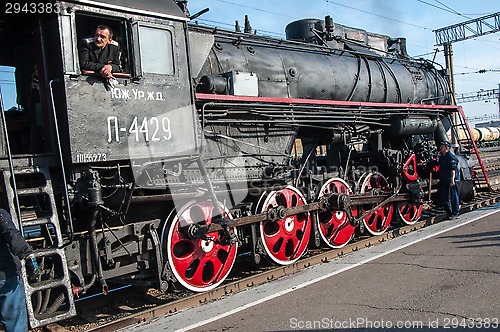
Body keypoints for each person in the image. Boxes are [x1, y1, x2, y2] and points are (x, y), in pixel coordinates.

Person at [0, 208, 40, 332]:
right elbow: (11, 234)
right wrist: (27, 254)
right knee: (15, 325)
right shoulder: (1, 215)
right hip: (6, 276)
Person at [429, 141, 460, 219]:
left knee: (453, 196)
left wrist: (452, 180)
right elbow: (437, 162)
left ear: (446, 148)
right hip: (444, 179)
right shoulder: (442, 157)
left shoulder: (451, 157)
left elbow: (453, 169)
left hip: (450, 179)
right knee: (445, 197)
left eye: (442, 147)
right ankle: (448, 213)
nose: (440, 148)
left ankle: (455, 213)